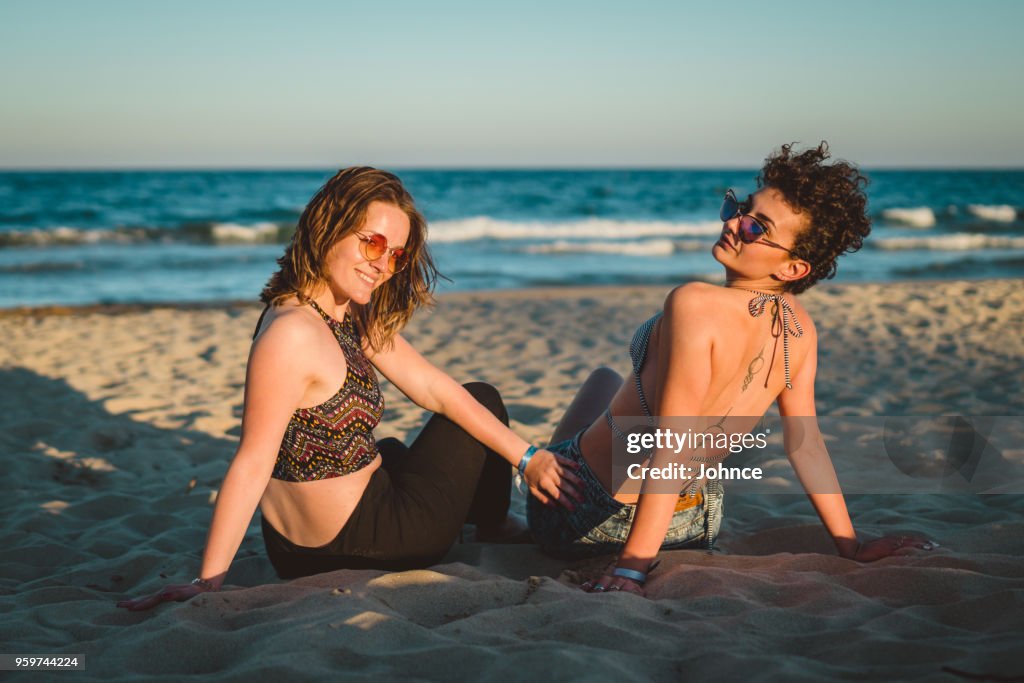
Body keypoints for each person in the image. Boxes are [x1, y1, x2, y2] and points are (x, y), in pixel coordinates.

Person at [118, 167, 583, 610]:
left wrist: (529, 457)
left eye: (395, 254)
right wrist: (207, 581)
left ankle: (487, 517)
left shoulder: (333, 313)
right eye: (372, 243)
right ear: (328, 228)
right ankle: (495, 524)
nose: (383, 264)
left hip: (295, 550)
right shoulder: (293, 334)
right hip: (367, 543)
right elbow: (253, 460)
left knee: (399, 449)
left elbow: (431, 387)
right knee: (482, 397)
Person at [527, 142, 937, 596]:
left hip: (589, 518)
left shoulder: (694, 302)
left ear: (794, 267)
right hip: (697, 522)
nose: (732, 224)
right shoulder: (800, 327)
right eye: (741, 208)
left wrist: (631, 568)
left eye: (755, 227)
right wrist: (851, 545)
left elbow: (674, 440)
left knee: (581, 416)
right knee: (605, 379)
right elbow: (806, 445)